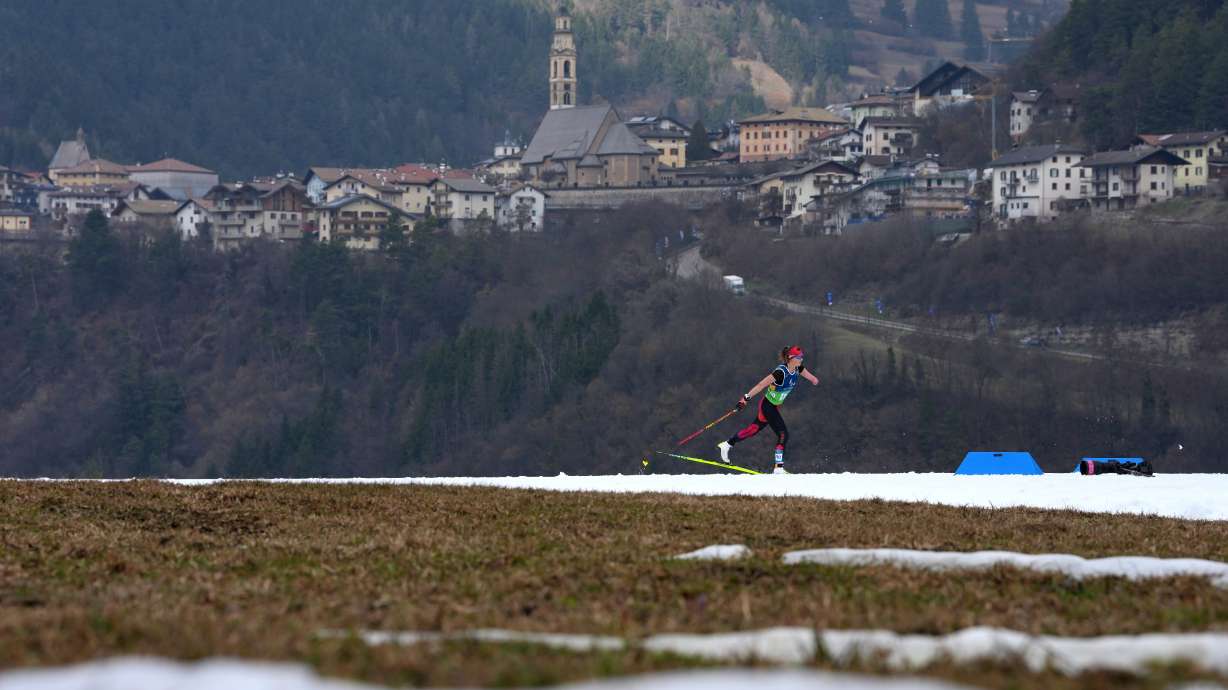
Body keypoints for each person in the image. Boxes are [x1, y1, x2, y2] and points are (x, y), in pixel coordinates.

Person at [718, 345, 819, 474]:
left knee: (753, 430)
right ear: (790, 358)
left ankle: (727, 445)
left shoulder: (798, 368)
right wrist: (745, 398)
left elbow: (809, 376)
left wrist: (814, 380)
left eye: (802, 357)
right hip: (768, 406)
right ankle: (778, 467)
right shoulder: (780, 372)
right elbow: (761, 385)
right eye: (798, 357)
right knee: (783, 434)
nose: (801, 359)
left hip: (773, 406)